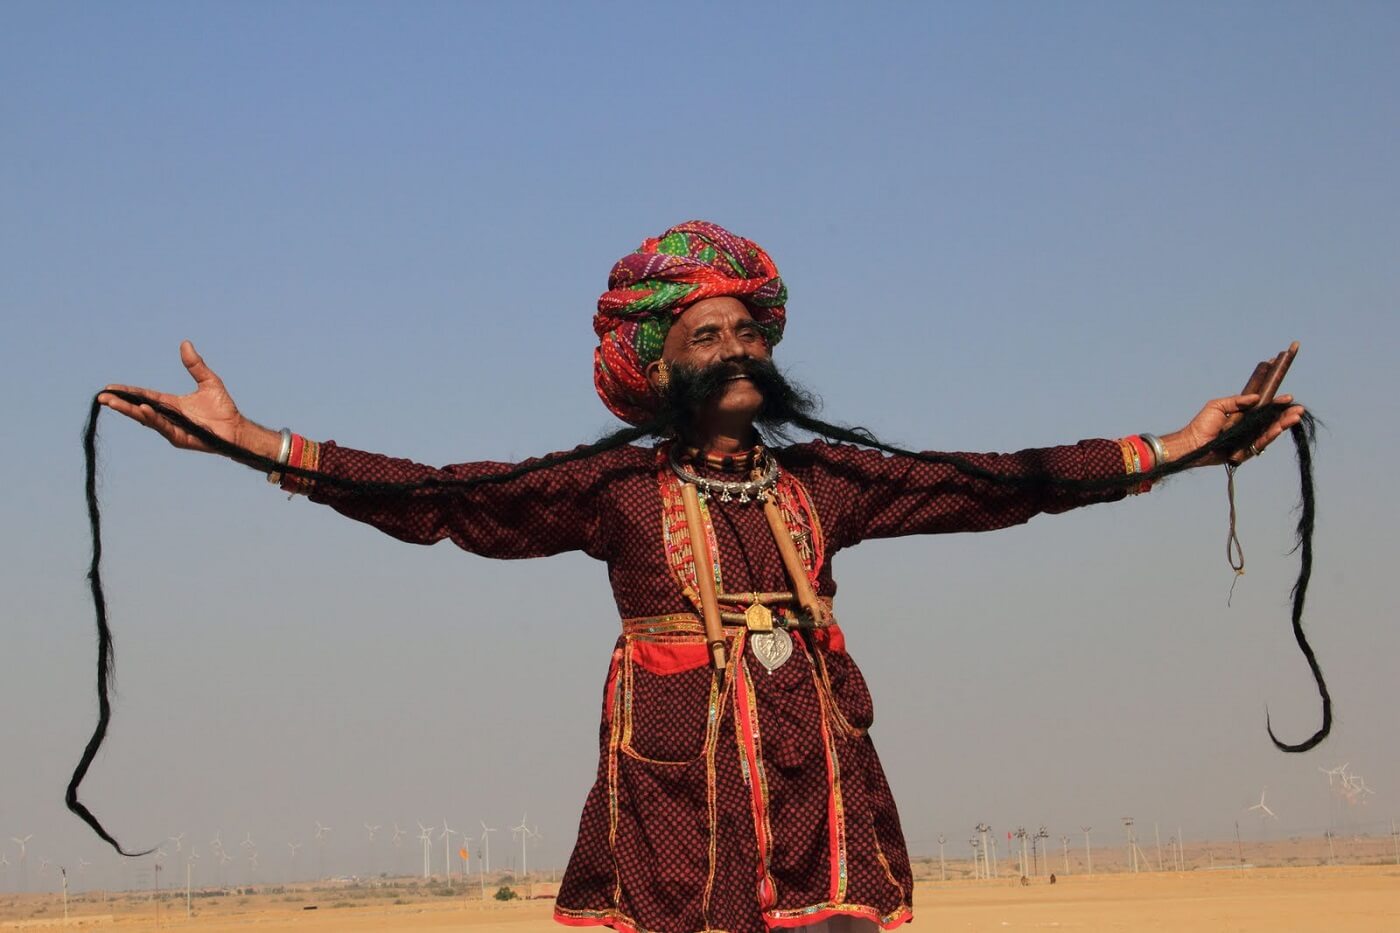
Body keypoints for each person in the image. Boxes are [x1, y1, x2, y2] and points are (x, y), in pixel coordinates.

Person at [99, 220, 1301, 933]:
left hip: (818, 771)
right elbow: (443, 500)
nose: (737, 350)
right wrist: (253, 443)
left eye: (749, 331)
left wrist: (1186, 444)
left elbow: (1007, 479)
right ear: (658, 365)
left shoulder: (828, 482)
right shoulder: (610, 489)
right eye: (707, 335)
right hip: (677, 784)